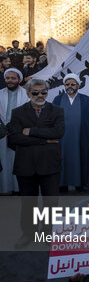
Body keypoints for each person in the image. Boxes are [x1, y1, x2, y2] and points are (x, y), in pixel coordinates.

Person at [9, 78, 65, 248]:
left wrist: (31, 131)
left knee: (50, 202)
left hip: (49, 164)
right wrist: (45, 140)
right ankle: (28, 233)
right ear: (28, 94)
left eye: (43, 92)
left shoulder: (57, 111)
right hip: (25, 164)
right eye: (35, 92)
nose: (40, 95)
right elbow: (14, 137)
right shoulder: (17, 112)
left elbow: (58, 132)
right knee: (28, 202)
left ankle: (48, 233)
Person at [52, 74, 89, 191]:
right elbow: (51, 118)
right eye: (67, 84)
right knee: (62, 160)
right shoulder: (58, 99)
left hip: (81, 138)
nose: (70, 86)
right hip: (62, 139)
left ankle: (82, 185)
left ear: (78, 85)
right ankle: (62, 185)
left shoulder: (86, 99)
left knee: (82, 160)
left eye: (73, 84)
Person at [0, 68, 28, 194]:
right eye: (7, 78)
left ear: (19, 80)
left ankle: (18, 188)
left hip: (19, 132)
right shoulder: (0, 93)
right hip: (2, 133)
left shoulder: (27, 94)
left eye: (13, 78)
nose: (10, 81)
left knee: (19, 161)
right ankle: (5, 188)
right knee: (4, 161)